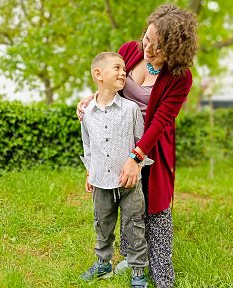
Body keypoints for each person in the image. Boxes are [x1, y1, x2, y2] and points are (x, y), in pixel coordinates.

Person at [77, 4, 198, 288]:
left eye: (158, 48)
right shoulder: (129, 50)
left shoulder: (180, 78)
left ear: (175, 52)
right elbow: (111, 83)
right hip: (120, 140)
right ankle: (132, 260)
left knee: (156, 207)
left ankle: (162, 272)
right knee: (128, 201)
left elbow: (160, 122)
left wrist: (136, 156)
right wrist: (92, 99)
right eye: (148, 40)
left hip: (152, 146)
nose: (148, 50)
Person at [80, 52, 151, 288]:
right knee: (102, 224)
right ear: (98, 74)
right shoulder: (87, 113)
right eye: (117, 68)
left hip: (128, 184)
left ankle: (138, 270)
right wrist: (90, 171)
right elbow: (88, 145)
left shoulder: (130, 109)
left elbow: (141, 141)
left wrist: (137, 167)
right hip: (101, 182)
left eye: (124, 69)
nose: (123, 73)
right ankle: (103, 263)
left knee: (135, 226)